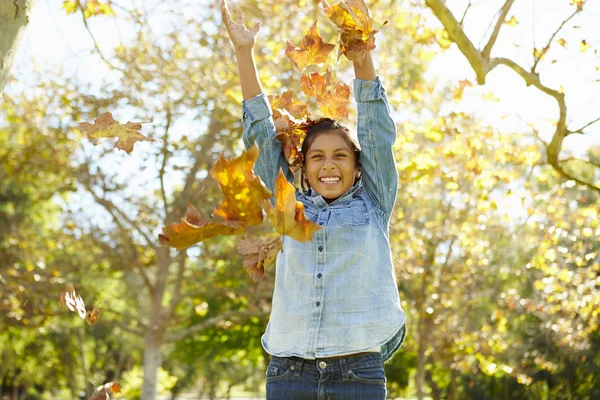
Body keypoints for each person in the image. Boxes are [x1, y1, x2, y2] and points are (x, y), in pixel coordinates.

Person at [221, 0, 406, 398]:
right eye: (317, 157)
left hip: (358, 371)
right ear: (302, 166)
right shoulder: (290, 205)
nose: (329, 166)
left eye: (340, 156)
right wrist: (243, 53)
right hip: (290, 373)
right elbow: (259, 133)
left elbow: (375, 127)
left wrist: (360, 51)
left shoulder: (373, 203)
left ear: (358, 166)